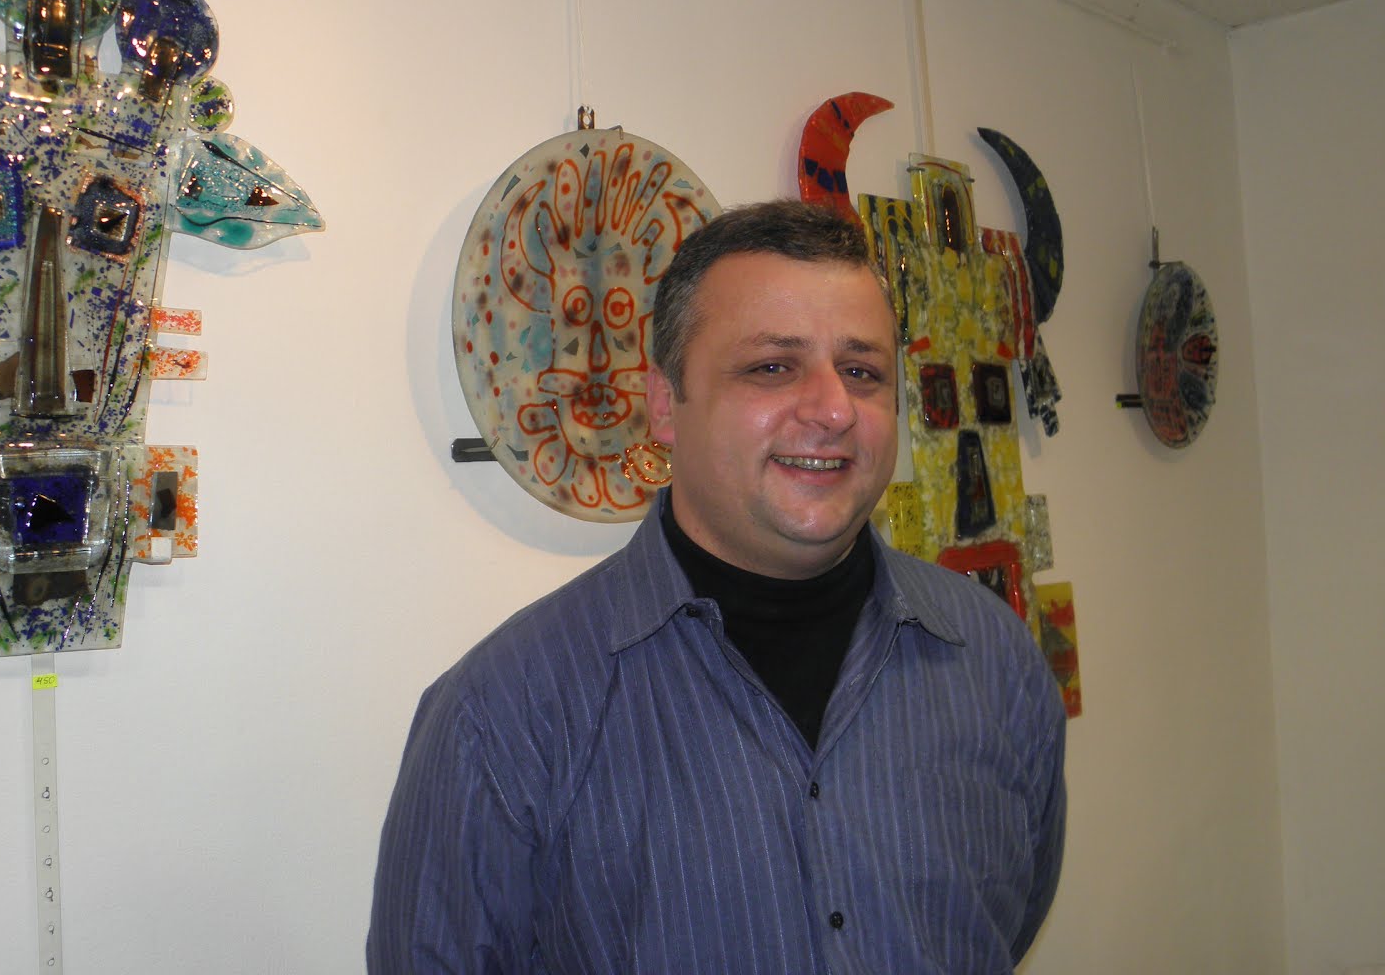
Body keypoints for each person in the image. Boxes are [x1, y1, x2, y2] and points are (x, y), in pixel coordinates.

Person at [368, 200, 1066, 973]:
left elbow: (1004, 925)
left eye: (862, 372)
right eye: (773, 367)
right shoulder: (503, 713)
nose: (834, 409)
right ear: (665, 405)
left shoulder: (994, 658)